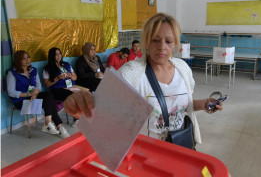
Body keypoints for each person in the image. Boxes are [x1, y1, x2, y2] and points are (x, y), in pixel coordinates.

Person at [64, 13, 223, 146]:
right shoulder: (130, 73)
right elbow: (104, 114)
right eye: (155, 40)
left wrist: (202, 104)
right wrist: (82, 109)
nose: (162, 47)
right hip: (145, 153)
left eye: (168, 41)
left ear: (175, 44)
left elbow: (179, 107)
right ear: (146, 41)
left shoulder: (183, 70)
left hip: (181, 147)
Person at [6, 50, 70, 139]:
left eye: (28, 57)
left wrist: (34, 94)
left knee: (49, 95)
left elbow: (38, 86)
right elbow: (11, 92)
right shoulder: (12, 73)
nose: (27, 60)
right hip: (21, 100)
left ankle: (48, 123)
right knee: (50, 103)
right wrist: (29, 94)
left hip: (33, 96)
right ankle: (59, 127)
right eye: (24, 58)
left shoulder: (33, 70)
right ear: (18, 60)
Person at [43, 47, 79, 126]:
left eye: (59, 53)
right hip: (57, 89)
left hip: (70, 87)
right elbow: (47, 84)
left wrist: (70, 76)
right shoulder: (47, 69)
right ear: (52, 56)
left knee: (85, 92)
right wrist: (57, 78)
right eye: (56, 54)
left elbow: (75, 77)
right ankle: (76, 118)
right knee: (73, 96)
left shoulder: (66, 64)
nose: (58, 56)